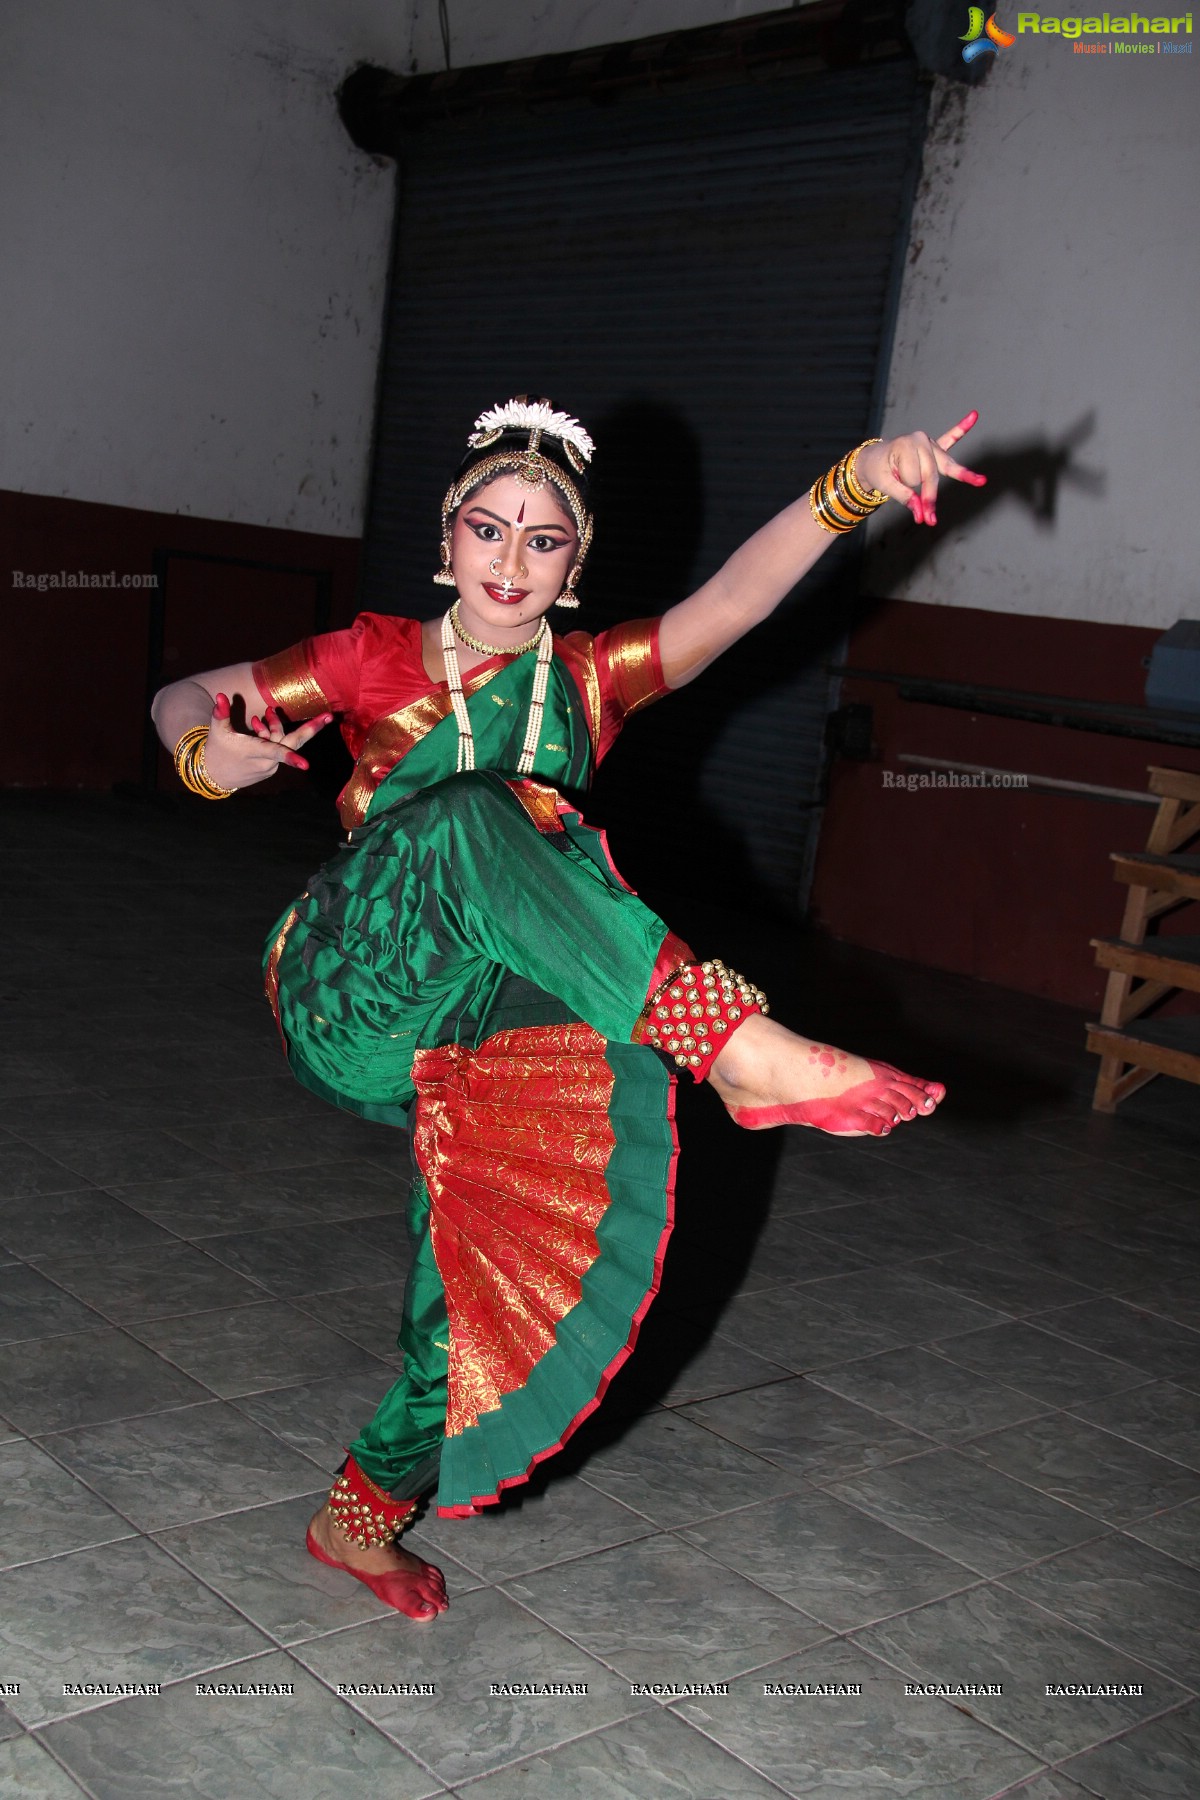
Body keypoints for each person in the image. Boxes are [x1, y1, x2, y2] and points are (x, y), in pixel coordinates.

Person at [152, 396, 985, 1622]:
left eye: (542, 541)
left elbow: (739, 604)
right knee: (483, 816)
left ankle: (358, 1518)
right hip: (351, 985)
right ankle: (734, 1047)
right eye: (487, 530)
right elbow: (184, 695)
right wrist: (203, 753)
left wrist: (855, 480)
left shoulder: (593, 677)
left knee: (471, 1309)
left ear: (574, 568)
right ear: (447, 545)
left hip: (481, 1027)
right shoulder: (370, 655)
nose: (508, 560)